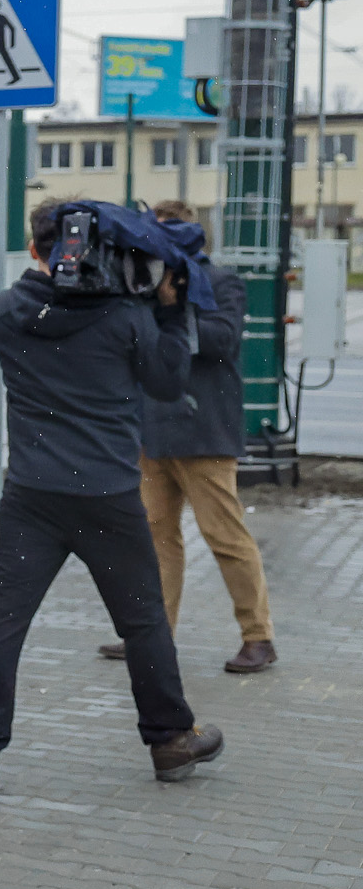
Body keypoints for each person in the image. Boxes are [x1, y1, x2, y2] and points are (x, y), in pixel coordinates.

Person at [0, 199, 223, 797]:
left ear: (36, 249)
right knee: (143, 622)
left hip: (31, 496)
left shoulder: (7, 310)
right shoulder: (125, 317)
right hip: (108, 496)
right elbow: (168, 382)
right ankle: (171, 741)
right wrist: (170, 311)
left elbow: (49, 309)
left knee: (4, 619)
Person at [99, 198, 276, 674]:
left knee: (225, 536)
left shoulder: (220, 282)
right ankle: (153, 635)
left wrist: (173, 307)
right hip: (153, 431)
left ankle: (258, 636)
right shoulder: (142, 282)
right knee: (154, 539)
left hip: (204, 433)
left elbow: (222, 340)